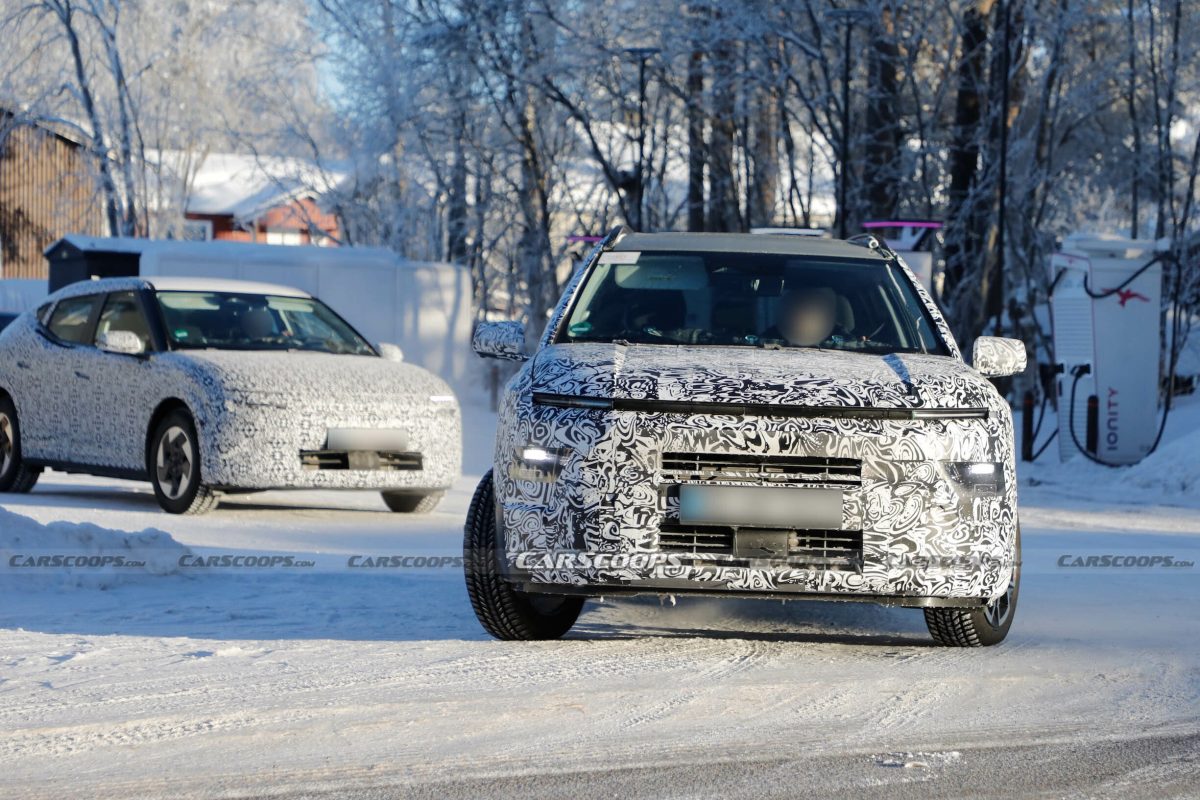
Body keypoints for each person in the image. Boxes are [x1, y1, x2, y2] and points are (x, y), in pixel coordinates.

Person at [763, 286, 845, 347]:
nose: (806, 313)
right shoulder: (770, 338)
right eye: (801, 306)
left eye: (813, 309)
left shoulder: (844, 340)